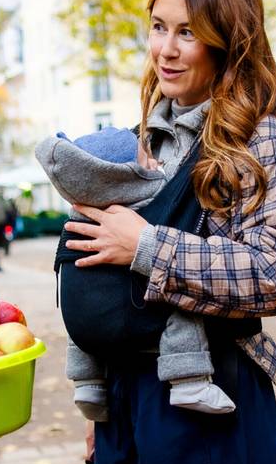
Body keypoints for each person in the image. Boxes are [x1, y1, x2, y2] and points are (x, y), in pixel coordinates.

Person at [58, 0, 276, 464]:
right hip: (129, 402)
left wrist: (145, 245)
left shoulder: (263, 140)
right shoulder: (145, 139)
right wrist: (111, 401)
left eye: (188, 32)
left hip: (211, 399)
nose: (166, 48)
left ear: (228, 41)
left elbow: (275, 274)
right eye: (159, 28)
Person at [37, 125, 235, 418]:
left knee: (79, 317)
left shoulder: (81, 207)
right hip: (138, 308)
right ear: (122, 173)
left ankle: (87, 383)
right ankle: (188, 382)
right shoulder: (150, 193)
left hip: (82, 316)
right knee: (180, 306)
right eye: (145, 161)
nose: (154, 164)